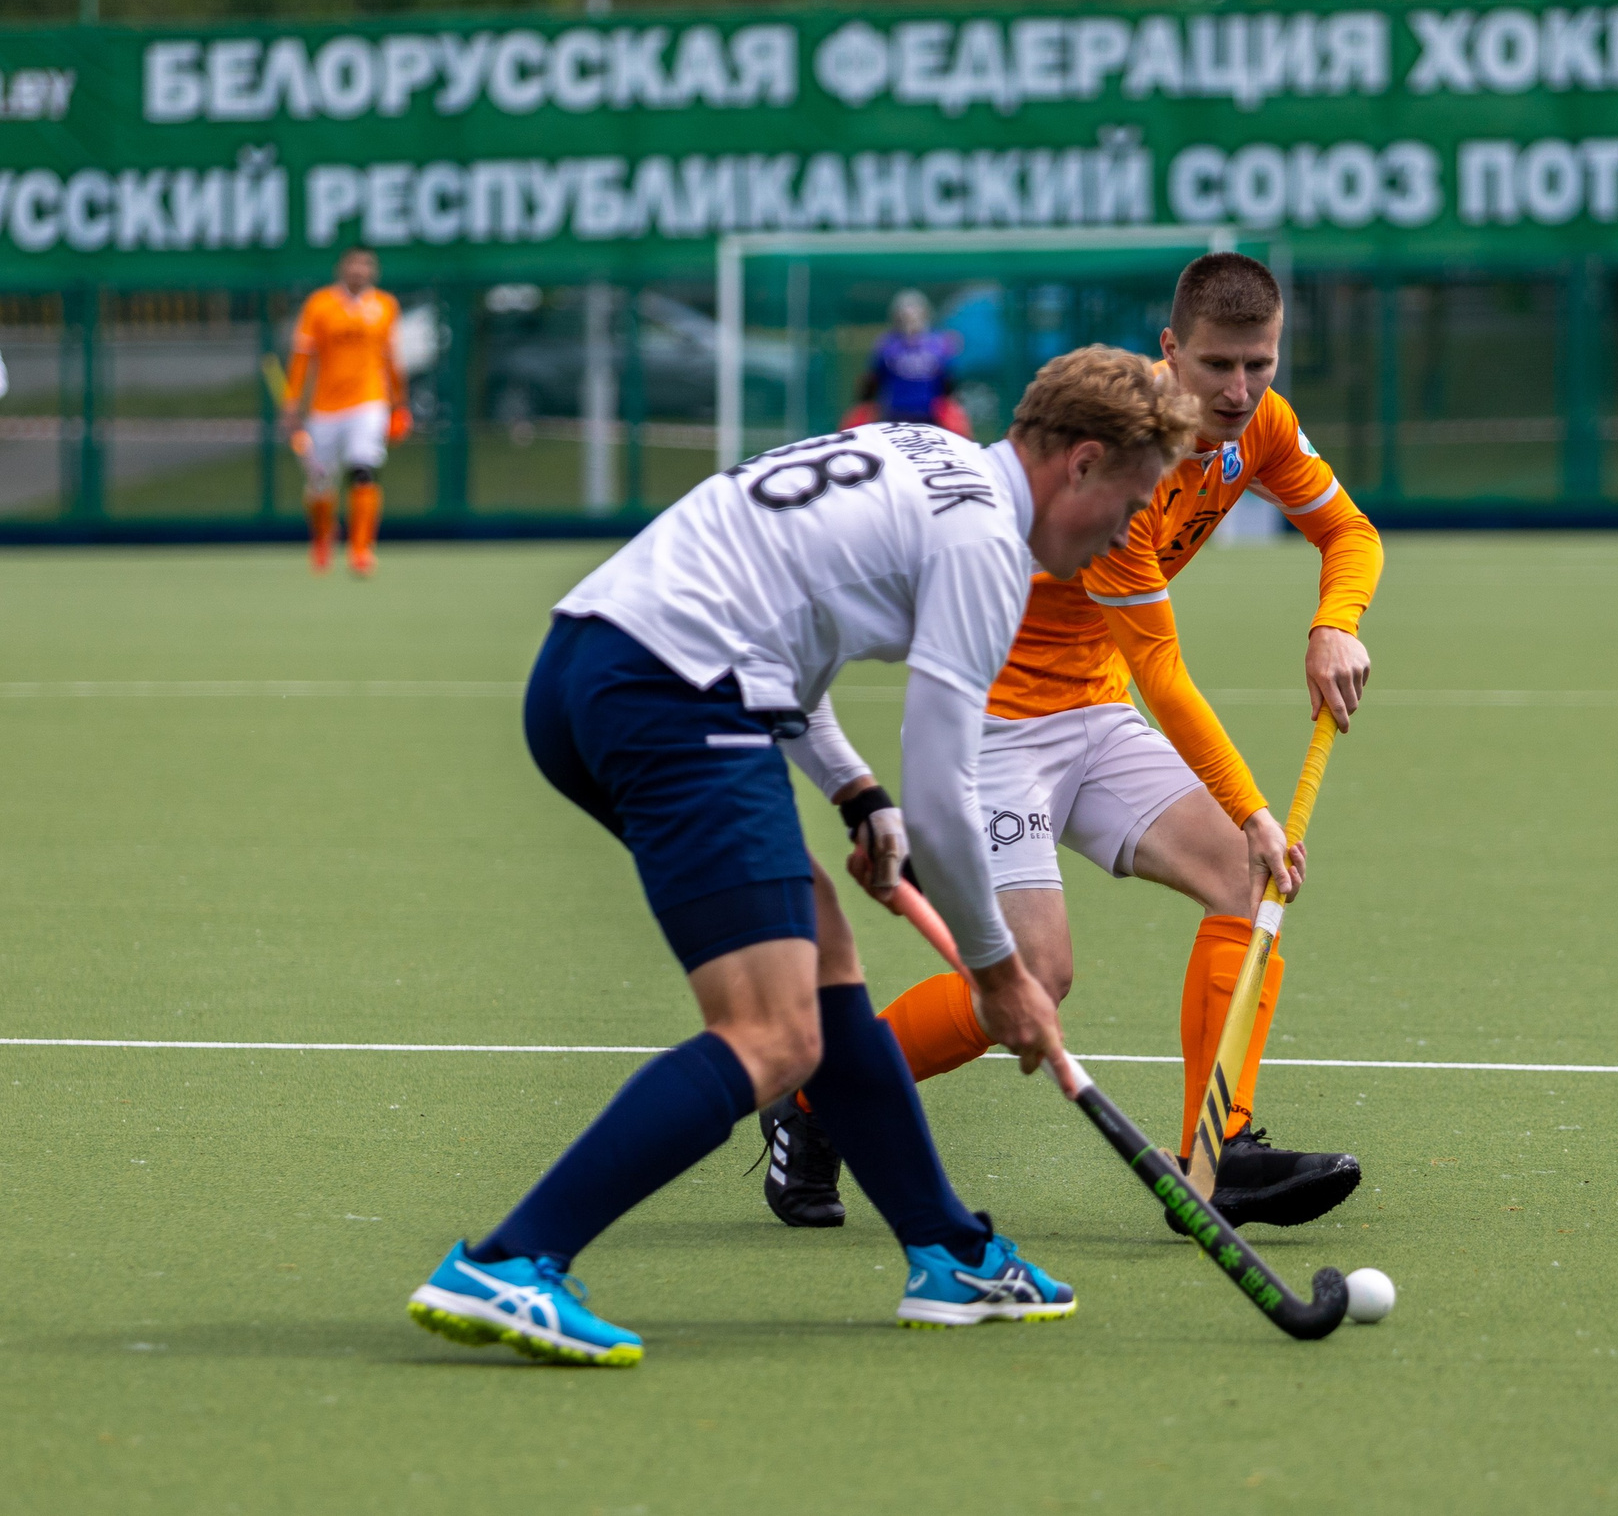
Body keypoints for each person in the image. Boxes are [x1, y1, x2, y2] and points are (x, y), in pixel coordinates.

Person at [405, 347, 1195, 1365]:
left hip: (582, 670)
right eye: (1129, 507)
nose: (1124, 537)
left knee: (825, 968)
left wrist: (853, 792)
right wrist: (1000, 976)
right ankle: (512, 1262)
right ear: (1080, 463)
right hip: (673, 691)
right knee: (772, 1035)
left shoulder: (920, 452)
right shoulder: (986, 545)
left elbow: (785, 616)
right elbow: (950, 798)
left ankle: (951, 1253)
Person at [760, 252, 1385, 1235]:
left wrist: (1334, 621)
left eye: (1257, 366)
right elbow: (1164, 672)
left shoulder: (1261, 425)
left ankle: (1217, 1159)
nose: (1237, 390)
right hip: (999, 726)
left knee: (1242, 881)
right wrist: (1256, 810)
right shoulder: (1121, 451)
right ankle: (813, 1101)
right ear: (1170, 349)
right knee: (1029, 981)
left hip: (1093, 712)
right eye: (1217, 365)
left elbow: (1350, 534)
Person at [282, 246, 410, 577]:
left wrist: (399, 404)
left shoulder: (385, 306)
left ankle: (360, 549)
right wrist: (291, 401)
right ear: (342, 268)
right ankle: (323, 538)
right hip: (325, 407)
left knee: (363, 468)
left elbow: (392, 359)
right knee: (320, 483)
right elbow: (302, 357)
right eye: (353, 264)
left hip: (369, 401)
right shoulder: (320, 304)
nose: (359, 270)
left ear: (373, 271)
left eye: (365, 265)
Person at [847, 289, 970, 434]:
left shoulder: (939, 344)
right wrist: (864, 406)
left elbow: (949, 382)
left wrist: (952, 410)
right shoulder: (888, 345)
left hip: (931, 415)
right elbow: (874, 380)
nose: (911, 319)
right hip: (895, 414)